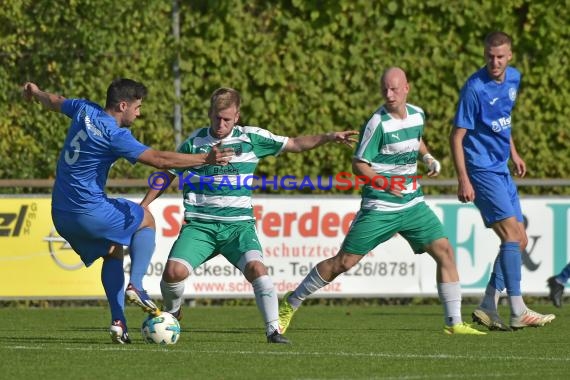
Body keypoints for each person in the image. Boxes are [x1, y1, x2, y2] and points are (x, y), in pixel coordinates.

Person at [140, 87, 358, 344]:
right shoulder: (193, 142)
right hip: (201, 226)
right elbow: (168, 173)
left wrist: (330, 136)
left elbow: (295, 144)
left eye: (227, 120)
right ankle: (174, 311)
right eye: (216, 118)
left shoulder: (252, 139)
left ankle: (273, 331)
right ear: (209, 113)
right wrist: (145, 204)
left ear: (237, 117)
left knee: (257, 268)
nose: (221, 124)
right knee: (173, 272)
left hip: (238, 228)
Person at [22, 79, 233, 344]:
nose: (139, 113)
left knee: (113, 251)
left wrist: (36, 91)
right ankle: (137, 286)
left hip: (61, 214)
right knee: (145, 218)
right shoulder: (115, 135)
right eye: (137, 107)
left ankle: (119, 322)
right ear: (123, 105)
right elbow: (159, 160)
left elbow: (54, 101)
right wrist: (205, 158)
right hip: (88, 211)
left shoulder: (84, 109)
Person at [278, 67, 486, 336]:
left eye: (394, 89)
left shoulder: (418, 114)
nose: (389, 94)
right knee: (343, 263)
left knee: (444, 251)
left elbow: (416, 140)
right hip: (380, 206)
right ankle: (291, 302)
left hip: (412, 204)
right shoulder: (377, 123)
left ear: (406, 88)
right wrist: (384, 183)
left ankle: (453, 323)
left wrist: (428, 158)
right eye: (385, 89)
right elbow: (358, 165)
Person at [449, 31, 555, 330]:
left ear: (510, 56)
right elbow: (456, 137)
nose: (494, 62)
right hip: (480, 169)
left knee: (519, 240)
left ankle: (487, 304)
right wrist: (463, 179)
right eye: (490, 56)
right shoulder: (474, 88)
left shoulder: (514, 78)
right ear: (484, 55)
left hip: (501, 167)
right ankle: (518, 309)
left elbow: (502, 123)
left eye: (500, 57)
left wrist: (514, 152)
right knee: (511, 236)